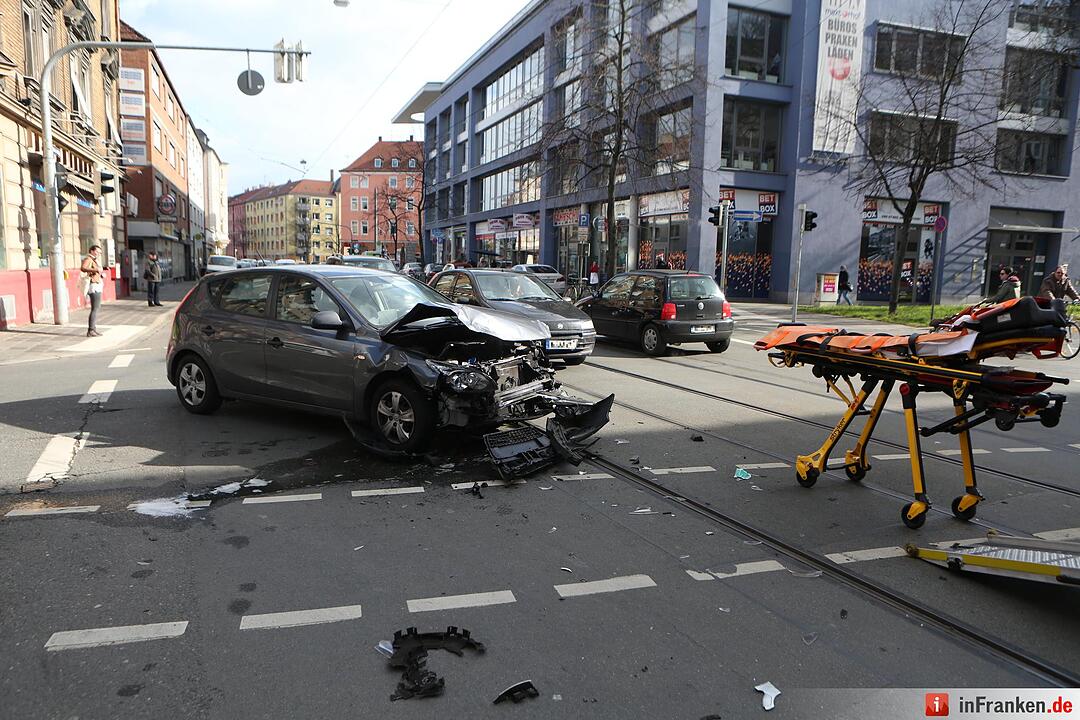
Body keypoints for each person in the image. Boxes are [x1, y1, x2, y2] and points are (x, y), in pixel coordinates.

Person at [80, 245, 106, 337]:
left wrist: (100, 273)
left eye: (100, 252)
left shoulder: (94, 260)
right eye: (97, 252)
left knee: (96, 308)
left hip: (96, 283)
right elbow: (83, 268)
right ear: (91, 251)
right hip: (93, 285)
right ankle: (91, 330)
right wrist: (96, 269)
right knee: (95, 308)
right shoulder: (89, 259)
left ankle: (93, 329)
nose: (99, 254)